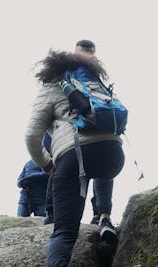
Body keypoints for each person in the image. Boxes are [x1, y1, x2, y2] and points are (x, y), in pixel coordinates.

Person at [25, 40, 125, 267]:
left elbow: (31, 136)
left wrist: (47, 164)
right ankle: (104, 217)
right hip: (114, 154)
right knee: (99, 164)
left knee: (65, 231)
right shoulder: (95, 82)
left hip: (76, 154)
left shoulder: (52, 86)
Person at [43, 40, 115, 226]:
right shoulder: (94, 76)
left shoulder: (62, 73)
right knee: (102, 169)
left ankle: (53, 215)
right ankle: (101, 215)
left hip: (65, 134)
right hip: (95, 131)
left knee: (58, 167)